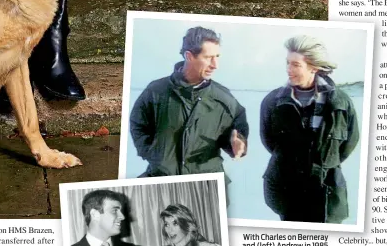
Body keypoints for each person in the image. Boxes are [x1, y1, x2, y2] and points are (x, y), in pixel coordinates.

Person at [260, 35, 360, 223]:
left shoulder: (341, 102)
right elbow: (270, 142)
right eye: (287, 63)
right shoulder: (272, 101)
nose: (288, 70)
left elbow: (348, 143)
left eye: (296, 65)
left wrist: (323, 161)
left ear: (314, 66)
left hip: (326, 193)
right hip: (288, 192)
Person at [129, 26, 248, 178]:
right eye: (208, 57)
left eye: (217, 56)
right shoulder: (156, 91)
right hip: (161, 178)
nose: (215, 65)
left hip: (206, 186)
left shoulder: (225, 98)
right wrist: (154, 154)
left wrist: (239, 146)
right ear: (189, 56)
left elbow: (236, 134)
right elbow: (138, 124)